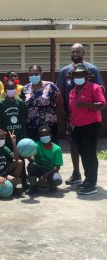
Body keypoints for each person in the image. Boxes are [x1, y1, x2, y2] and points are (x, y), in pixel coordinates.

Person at [57, 43, 105, 185]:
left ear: (84, 53)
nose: (75, 54)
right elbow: (60, 92)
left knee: (88, 150)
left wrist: (87, 104)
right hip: (72, 117)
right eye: (73, 52)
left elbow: (100, 91)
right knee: (74, 144)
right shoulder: (64, 71)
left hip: (90, 119)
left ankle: (90, 180)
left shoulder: (92, 69)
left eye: (78, 52)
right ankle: (76, 173)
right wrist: (62, 111)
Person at [68, 63, 106, 195]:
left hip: (91, 125)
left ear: (86, 76)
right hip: (76, 127)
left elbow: (102, 105)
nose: (78, 76)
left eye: (81, 74)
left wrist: (85, 104)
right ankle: (87, 179)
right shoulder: (72, 91)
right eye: (76, 75)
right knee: (83, 153)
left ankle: (92, 183)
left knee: (90, 154)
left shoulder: (95, 88)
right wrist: (70, 125)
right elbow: (72, 111)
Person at [21, 65, 61, 143]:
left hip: (49, 126)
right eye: (31, 75)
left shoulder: (50, 86)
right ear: (28, 75)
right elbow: (23, 107)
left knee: (50, 149)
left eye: (36, 74)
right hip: (31, 126)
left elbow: (60, 103)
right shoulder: (25, 89)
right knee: (34, 151)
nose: (34, 76)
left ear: (41, 74)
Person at [26, 125, 63, 194]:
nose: (44, 136)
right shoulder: (36, 145)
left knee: (57, 180)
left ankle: (49, 184)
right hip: (39, 169)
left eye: (46, 134)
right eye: (42, 135)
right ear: (39, 137)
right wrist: (28, 156)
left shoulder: (57, 149)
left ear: (51, 135)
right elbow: (32, 158)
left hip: (50, 170)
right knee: (31, 165)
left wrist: (46, 174)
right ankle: (33, 186)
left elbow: (57, 167)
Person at [0, 128, 23, 194]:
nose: (0, 140)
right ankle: (13, 185)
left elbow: (16, 158)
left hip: (4, 172)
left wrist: (14, 142)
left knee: (19, 162)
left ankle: (15, 185)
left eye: (2, 138)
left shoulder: (4, 147)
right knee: (17, 182)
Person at [0, 79, 26, 146]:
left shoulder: (20, 102)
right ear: (5, 90)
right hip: (7, 134)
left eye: (13, 88)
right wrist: (1, 133)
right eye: (9, 89)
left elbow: (23, 119)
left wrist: (24, 134)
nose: (11, 90)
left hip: (19, 133)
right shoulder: (0, 103)